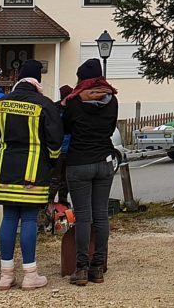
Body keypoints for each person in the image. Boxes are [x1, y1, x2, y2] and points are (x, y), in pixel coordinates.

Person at [0, 59, 63, 290]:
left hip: (5, 170)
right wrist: (51, 159)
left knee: (9, 218)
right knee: (29, 219)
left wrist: (2, 154)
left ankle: (6, 274)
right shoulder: (44, 104)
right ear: (37, 80)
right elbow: (55, 140)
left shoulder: (2, 103)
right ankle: (30, 274)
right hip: (33, 171)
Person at [63, 58, 119, 285]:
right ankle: (98, 267)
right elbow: (112, 126)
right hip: (104, 162)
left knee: (83, 217)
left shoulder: (74, 102)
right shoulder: (112, 100)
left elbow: (66, 127)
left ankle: (81, 268)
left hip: (79, 163)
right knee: (101, 215)